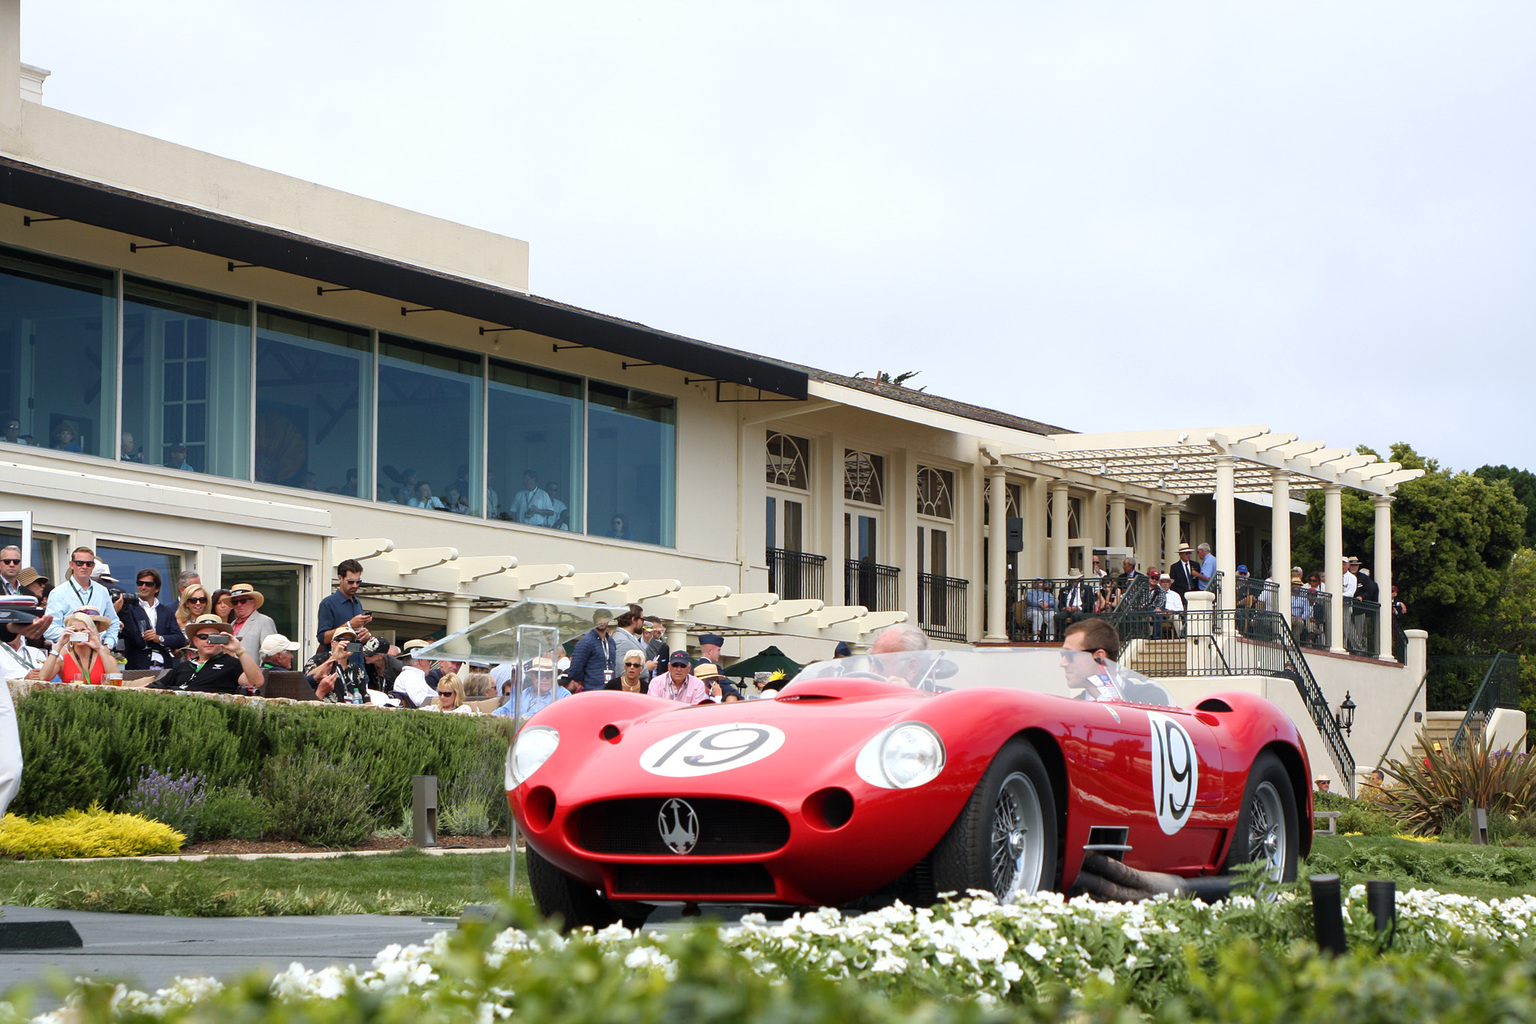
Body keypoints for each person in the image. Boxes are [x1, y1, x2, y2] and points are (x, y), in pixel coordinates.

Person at [1059, 618, 1170, 705]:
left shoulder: (1149, 698)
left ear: (1099, 657)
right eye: (1062, 655)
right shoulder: (1072, 710)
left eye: (1069, 655)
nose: (1062, 663)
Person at [148, 614, 262, 693]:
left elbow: (256, 682)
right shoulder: (184, 666)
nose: (208, 641)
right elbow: (157, 686)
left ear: (221, 639)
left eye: (214, 637)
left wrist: (239, 650)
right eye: (203, 637)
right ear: (195, 641)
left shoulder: (231, 663)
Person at [44, 547, 121, 648]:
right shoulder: (58, 593)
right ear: (72, 564)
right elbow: (49, 630)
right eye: (79, 563)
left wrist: (108, 645)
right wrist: (79, 636)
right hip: (68, 652)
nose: (84, 567)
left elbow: (114, 623)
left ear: (93, 566)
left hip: (96, 652)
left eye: (88, 564)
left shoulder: (102, 591)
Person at [121, 568, 187, 670]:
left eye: (148, 584)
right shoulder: (129, 609)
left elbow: (180, 639)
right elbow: (136, 639)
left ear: (157, 588)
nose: (143, 587)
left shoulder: (166, 611)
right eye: (140, 583)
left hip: (164, 667)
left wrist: (159, 638)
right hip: (138, 667)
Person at [35, 609, 115, 684]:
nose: (79, 634)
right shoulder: (63, 660)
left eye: (83, 630)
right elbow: (43, 678)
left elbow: (115, 680)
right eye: (75, 631)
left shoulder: (106, 659)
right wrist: (59, 644)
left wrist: (99, 648)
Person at [304, 624, 373, 703]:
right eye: (342, 640)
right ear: (332, 643)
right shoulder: (319, 659)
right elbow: (306, 680)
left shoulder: (356, 669)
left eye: (351, 642)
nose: (347, 643)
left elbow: (365, 698)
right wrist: (335, 657)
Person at [317, 559, 371, 646]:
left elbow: (355, 635)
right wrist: (349, 625)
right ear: (340, 578)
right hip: (339, 657)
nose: (355, 585)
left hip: (357, 656)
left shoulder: (357, 602)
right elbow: (323, 638)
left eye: (358, 582)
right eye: (350, 582)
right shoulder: (328, 603)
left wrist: (365, 635)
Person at [495, 655, 570, 717]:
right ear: (532, 677)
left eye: (548, 675)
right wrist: (490, 716)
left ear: (554, 677)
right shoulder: (525, 693)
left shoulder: (564, 696)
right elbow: (506, 709)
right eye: (539, 675)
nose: (544, 679)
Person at [567, 609, 617, 692]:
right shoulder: (586, 642)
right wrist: (588, 684)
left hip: (610, 690)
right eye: (599, 618)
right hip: (592, 691)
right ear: (594, 620)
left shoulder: (611, 642)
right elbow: (575, 670)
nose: (602, 621)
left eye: (605, 618)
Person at [226, 583, 278, 659]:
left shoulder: (264, 621)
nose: (239, 605)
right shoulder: (232, 624)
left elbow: (269, 654)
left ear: (253, 601)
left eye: (243, 600)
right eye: (235, 602)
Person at [390, 639, 438, 708]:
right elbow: (420, 700)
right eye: (429, 661)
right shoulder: (411, 675)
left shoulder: (410, 674)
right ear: (421, 660)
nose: (430, 665)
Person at [1055, 568, 1091, 638]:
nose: (1073, 581)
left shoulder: (1086, 588)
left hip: (1079, 610)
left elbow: (1089, 603)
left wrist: (1078, 608)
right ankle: (1064, 634)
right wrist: (1064, 608)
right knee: (1058, 616)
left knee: (1076, 615)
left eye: (1075, 579)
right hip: (1067, 610)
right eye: (1072, 579)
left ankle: (1075, 635)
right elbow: (1061, 603)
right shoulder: (1064, 589)